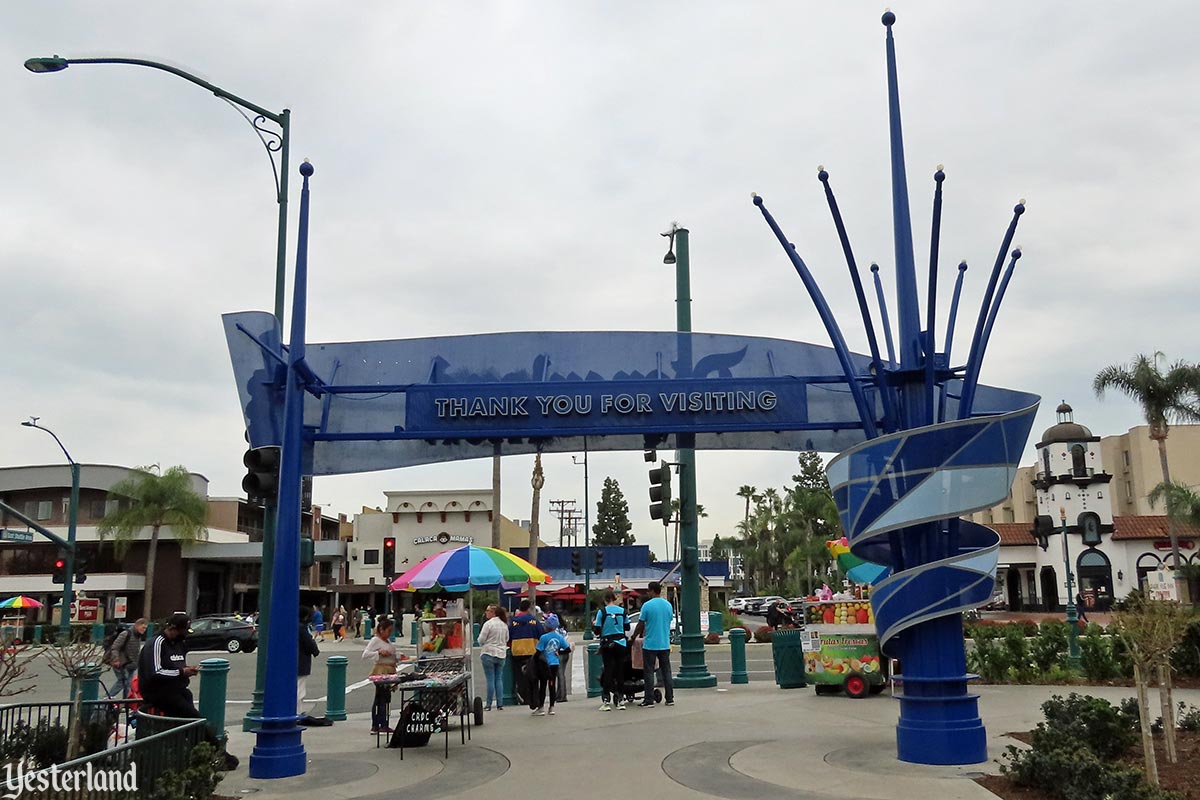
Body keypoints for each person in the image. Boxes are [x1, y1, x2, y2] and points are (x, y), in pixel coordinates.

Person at [137, 612, 238, 770]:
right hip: (159, 693)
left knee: (188, 723)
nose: (184, 635)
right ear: (172, 628)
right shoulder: (156, 643)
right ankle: (219, 755)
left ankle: (195, 755)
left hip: (178, 690)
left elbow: (178, 665)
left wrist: (186, 673)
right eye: (183, 631)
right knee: (196, 720)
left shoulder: (179, 644)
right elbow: (154, 672)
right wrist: (181, 672)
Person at [632, 581, 675, 708]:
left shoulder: (647, 606)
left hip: (650, 644)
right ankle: (670, 698)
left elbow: (641, 624)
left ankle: (649, 699)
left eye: (648, 591)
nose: (648, 593)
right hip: (665, 643)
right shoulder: (668, 605)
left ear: (651, 591)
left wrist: (634, 637)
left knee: (649, 672)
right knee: (666, 671)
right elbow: (668, 621)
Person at [594, 591, 629, 711]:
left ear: (605, 600)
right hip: (621, 642)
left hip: (607, 643)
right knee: (620, 671)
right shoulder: (622, 611)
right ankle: (621, 700)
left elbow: (597, 630)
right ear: (614, 598)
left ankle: (606, 700)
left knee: (608, 671)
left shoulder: (602, 612)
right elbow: (627, 627)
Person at [361, 616, 397, 734]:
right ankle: (380, 723)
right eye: (388, 631)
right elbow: (365, 654)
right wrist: (379, 653)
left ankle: (380, 723)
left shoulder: (387, 641)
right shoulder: (376, 640)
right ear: (381, 629)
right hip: (381, 671)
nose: (389, 634)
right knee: (382, 697)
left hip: (389, 669)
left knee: (384, 697)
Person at [530, 614, 570, 716]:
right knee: (552, 685)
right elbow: (568, 649)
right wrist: (558, 652)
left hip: (544, 664)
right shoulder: (559, 637)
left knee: (543, 685)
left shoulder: (544, 637)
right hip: (555, 664)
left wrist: (533, 662)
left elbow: (538, 652)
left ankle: (541, 707)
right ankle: (551, 707)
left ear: (547, 626)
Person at [509, 600, 542, 705]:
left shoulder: (513, 621)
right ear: (528, 608)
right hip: (531, 650)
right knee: (532, 675)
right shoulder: (533, 620)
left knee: (519, 676)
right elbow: (541, 634)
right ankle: (534, 697)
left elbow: (508, 637)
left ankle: (524, 697)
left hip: (517, 651)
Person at [477, 605, 509, 711]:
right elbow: (507, 638)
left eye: (488, 611)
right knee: (498, 678)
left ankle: (489, 704)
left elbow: (481, 639)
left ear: (493, 612)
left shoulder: (488, 624)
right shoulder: (504, 624)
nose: (486, 613)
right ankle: (500, 703)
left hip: (488, 653)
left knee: (490, 679)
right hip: (501, 654)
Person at [107, 618, 147, 699]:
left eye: (145, 628)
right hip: (122, 663)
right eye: (143, 627)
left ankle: (125, 703)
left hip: (131, 664)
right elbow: (115, 647)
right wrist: (116, 660)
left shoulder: (138, 636)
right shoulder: (126, 634)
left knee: (128, 685)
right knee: (122, 682)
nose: (144, 630)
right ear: (137, 625)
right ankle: (107, 698)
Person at [298, 607, 321, 714]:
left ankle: (296, 710)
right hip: (301, 662)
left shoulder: (290, 626)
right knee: (299, 689)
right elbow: (309, 644)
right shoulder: (302, 628)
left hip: (290, 662)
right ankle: (298, 711)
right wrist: (315, 651)